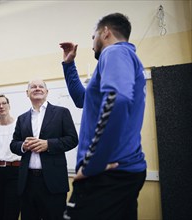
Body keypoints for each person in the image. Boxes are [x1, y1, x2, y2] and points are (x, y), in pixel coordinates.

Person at [60, 12, 147, 220]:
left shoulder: (114, 52)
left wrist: (93, 165)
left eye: (93, 37)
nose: (92, 44)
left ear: (105, 32)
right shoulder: (123, 59)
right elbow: (83, 100)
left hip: (107, 171)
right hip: (123, 170)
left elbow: (117, 100)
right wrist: (69, 65)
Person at [10, 79, 78, 220]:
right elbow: (13, 144)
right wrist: (23, 146)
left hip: (53, 182)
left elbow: (72, 139)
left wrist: (49, 144)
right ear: (27, 93)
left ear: (47, 92)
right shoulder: (22, 118)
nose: (37, 88)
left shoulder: (61, 113)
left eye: (41, 86)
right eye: (33, 87)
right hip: (27, 182)